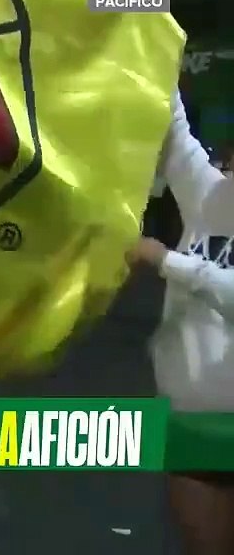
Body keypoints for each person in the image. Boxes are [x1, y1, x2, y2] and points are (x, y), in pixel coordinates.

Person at [126, 89, 234, 555]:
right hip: (189, 423)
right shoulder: (209, 192)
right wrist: (147, 20)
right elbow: (172, 127)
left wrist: (168, 261)